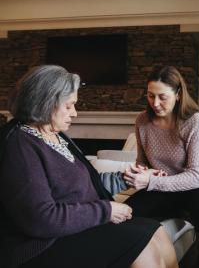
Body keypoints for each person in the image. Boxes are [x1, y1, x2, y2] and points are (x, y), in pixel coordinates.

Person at [0, 65, 178, 268]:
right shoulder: (20, 144)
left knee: (156, 230)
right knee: (141, 245)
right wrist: (106, 210)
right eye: (69, 106)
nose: (75, 113)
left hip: (71, 228)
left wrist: (125, 178)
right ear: (45, 103)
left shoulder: (56, 136)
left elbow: (81, 183)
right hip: (41, 245)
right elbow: (40, 220)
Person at [123, 66, 199, 268]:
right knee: (126, 213)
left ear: (178, 94)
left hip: (197, 186)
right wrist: (141, 171)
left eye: (162, 97)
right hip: (162, 187)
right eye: (151, 96)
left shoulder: (193, 121)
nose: (156, 103)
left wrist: (151, 180)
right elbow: (143, 161)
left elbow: (196, 175)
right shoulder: (142, 120)